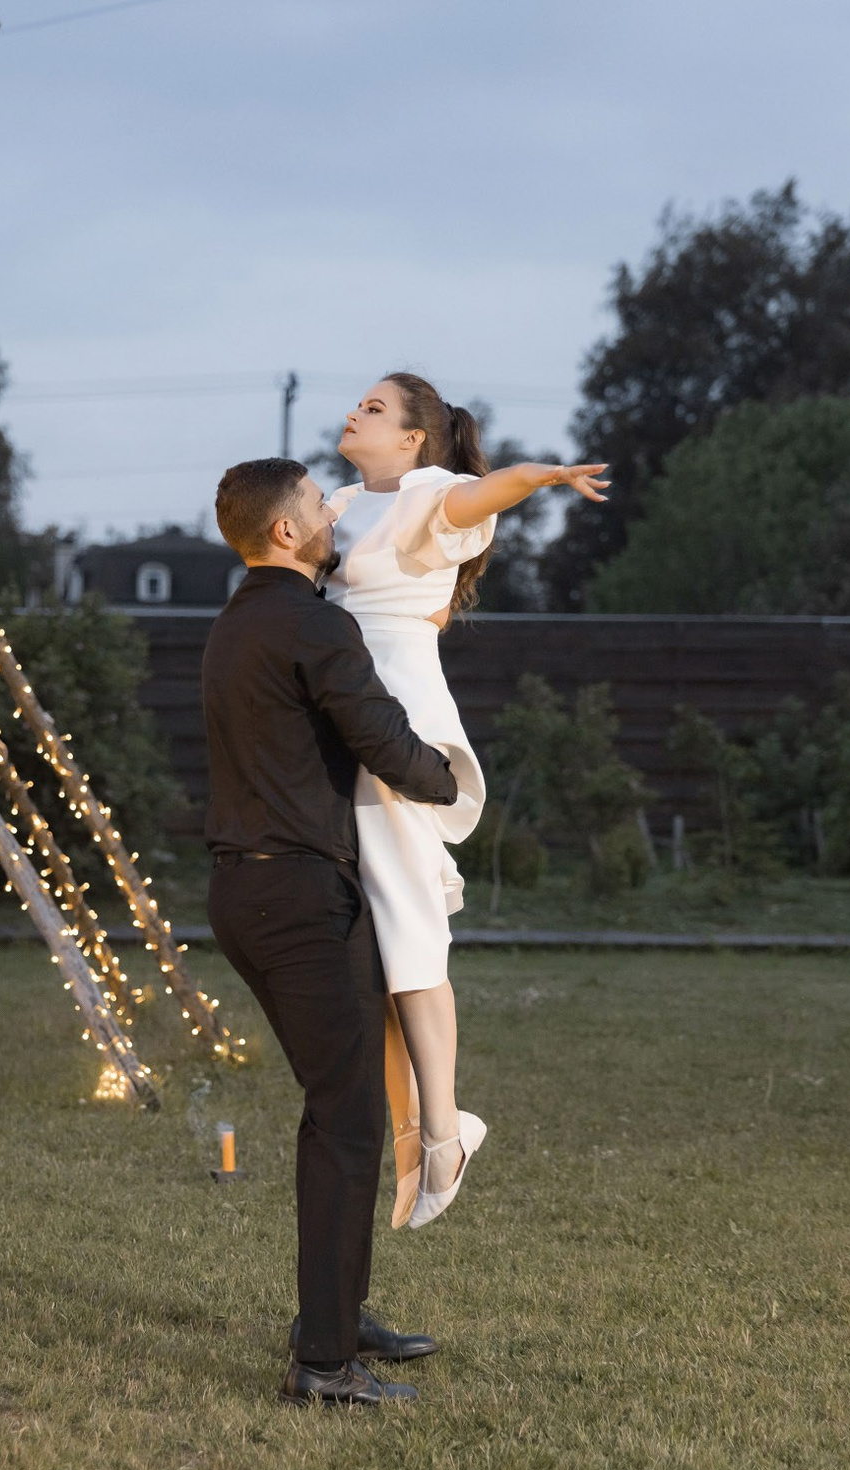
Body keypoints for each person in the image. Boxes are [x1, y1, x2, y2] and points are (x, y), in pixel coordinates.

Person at [201, 457, 458, 1407]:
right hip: (299, 898)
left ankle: (341, 1319)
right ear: (284, 532)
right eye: (316, 502)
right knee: (347, 1117)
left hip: (253, 892)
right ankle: (321, 1364)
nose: (329, 510)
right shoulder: (314, 623)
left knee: (338, 1105)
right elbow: (381, 738)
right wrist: (453, 781)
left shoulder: (235, 622)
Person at [325, 373, 609, 1227]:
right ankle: (413, 1138)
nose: (354, 411)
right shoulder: (338, 501)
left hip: (396, 727)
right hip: (337, 726)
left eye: (373, 407)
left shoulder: (428, 493)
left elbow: (488, 492)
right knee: (372, 958)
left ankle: (445, 1129)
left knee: (411, 926)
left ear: (415, 438)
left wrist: (544, 477)